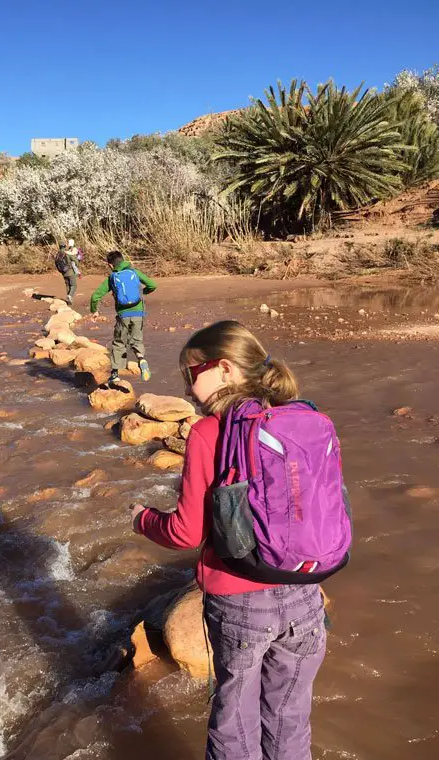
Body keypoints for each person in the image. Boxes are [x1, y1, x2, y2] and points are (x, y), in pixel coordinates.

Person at [130, 320, 350, 760]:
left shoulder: (208, 432)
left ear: (225, 368)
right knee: (290, 721)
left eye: (191, 375)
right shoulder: (304, 418)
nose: (189, 389)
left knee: (234, 727)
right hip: (305, 593)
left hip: (241, 605)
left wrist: (142, 520)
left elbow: (185, 532)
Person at [90, 251, 156, 387]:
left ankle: (114, 375)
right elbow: (153, 285)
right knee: (137, 339)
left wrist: (94, 310)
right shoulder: (134, 272)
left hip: (123, 315)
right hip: (138, 313)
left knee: (119, 343)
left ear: (110, 265)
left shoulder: (112, 277)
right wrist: (143, 292)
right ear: (124, 260)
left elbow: (95, 296)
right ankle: (141, 359)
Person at [55, 240, 82, 304]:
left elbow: (56, 263)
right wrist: (76, 265)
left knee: (67, 285)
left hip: (63, 273)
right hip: (70, 271)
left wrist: (61, 271)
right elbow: (76, 261)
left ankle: (69, 300)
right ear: (65, 246)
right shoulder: (67, 253)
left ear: (59, 246)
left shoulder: (57, 254)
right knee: (73, 285)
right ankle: (70, 296)